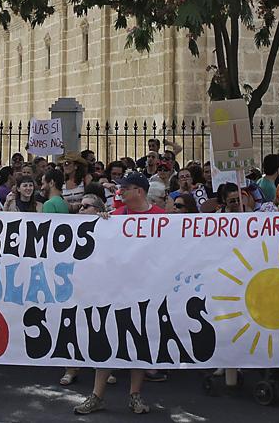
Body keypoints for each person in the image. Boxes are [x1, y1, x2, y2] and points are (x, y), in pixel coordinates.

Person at [74, 172, 160, 415]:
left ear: (140, 191)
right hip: (113, 292)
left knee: (139, 344)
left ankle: (135, 396)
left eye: (126, 188)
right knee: (106, 341)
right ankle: (97, 396)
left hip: (145, 291)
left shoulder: (161, 218)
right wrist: (102, 224)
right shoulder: (115, 217)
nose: (120, 192)